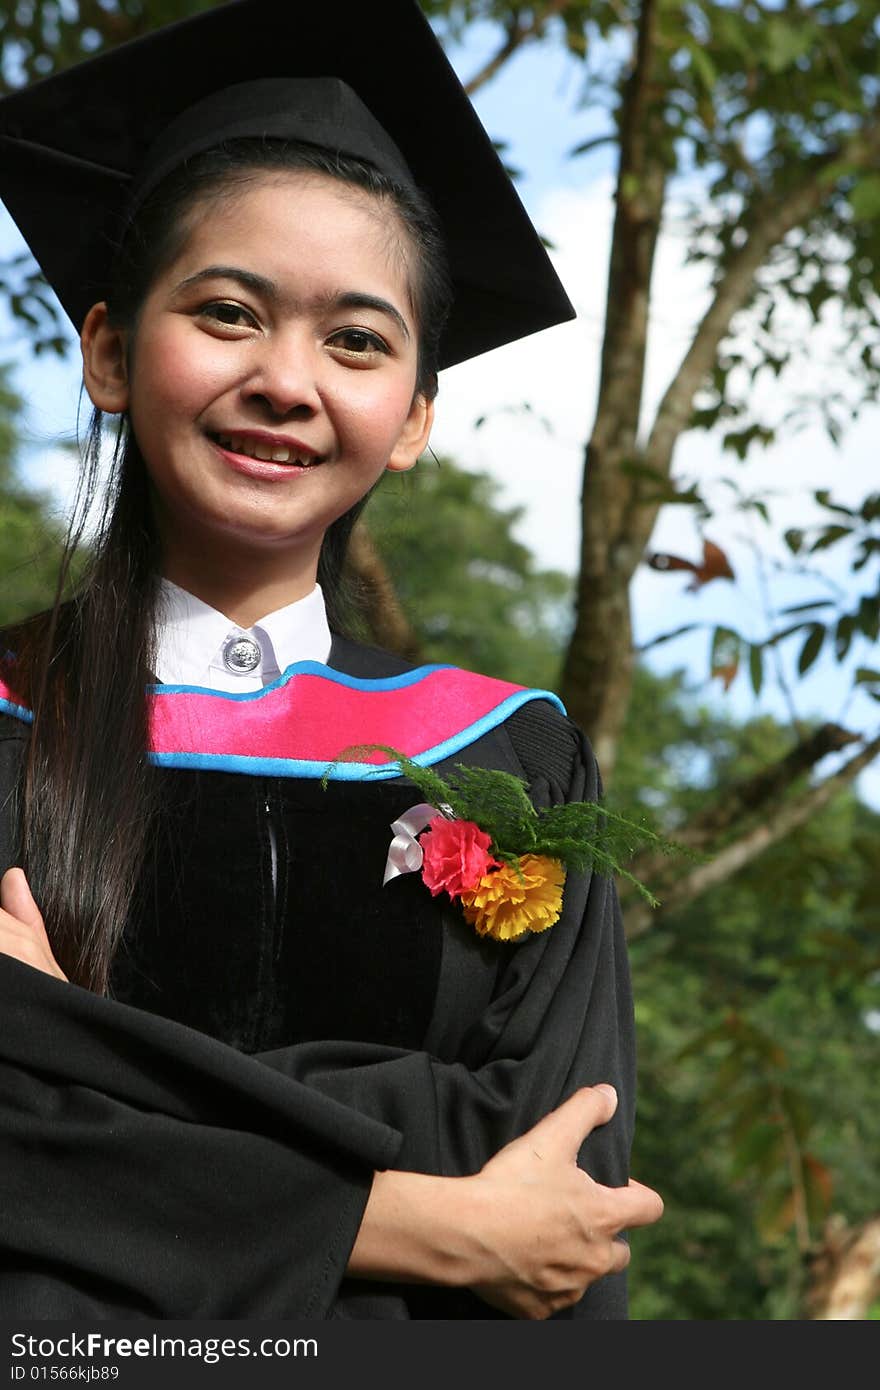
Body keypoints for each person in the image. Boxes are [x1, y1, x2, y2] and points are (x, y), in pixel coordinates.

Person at [0, 0, 663, 1320]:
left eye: (357, 338)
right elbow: (483, 1190)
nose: (288, 380)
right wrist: (413, 1195)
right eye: (229, 312)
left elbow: (560, 1191)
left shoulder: (505, 752)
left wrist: (85, 1081)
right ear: (114, 350)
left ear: (414, 414)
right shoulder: (13, 714)